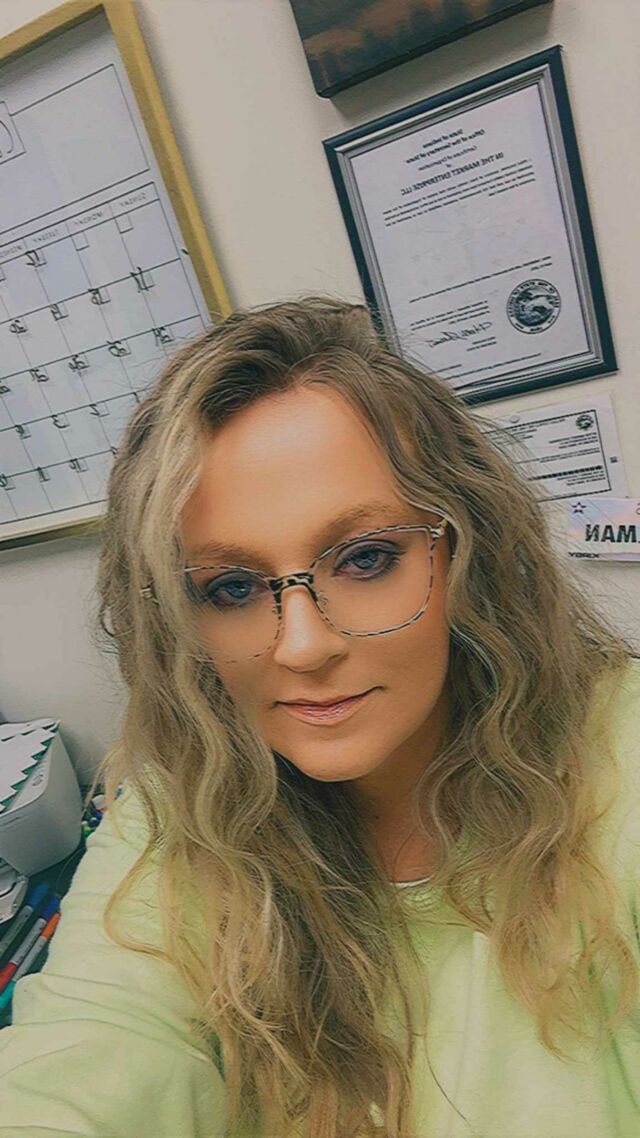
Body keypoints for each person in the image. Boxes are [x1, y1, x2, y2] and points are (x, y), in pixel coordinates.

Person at [0, 296, 638, 1138]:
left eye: (365, 558)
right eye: (232, 587)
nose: (301, 646)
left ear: (466, 551)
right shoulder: (174, 818)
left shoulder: (619, 756)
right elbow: (90, 1052)